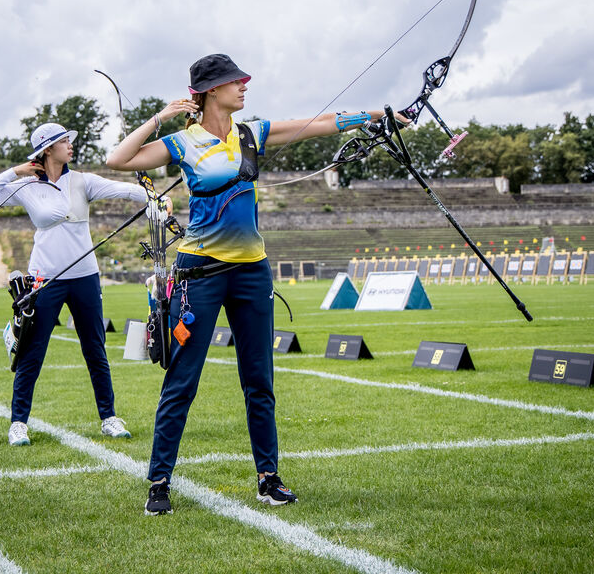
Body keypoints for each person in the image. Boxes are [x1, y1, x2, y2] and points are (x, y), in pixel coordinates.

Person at [106, 53, 399, 515]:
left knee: (259, 381)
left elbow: (319, 123)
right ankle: (159, 482)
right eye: (233, 82)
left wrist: (375, 116)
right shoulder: (182, 142)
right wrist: (161, 117)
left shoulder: (251, 133)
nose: (243, 86)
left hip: (252, 271)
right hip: (199, 274)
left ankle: (268, 478)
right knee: (182, 383)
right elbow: (117, 159)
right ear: (208, 92)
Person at [0, 122, 147, 446]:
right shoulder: (26, 186)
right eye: (64, 141)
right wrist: (14, 171)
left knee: (95, 349)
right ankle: (18, 423)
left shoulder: (83, 181)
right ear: (48, 149)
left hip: (85, 277)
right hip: (45, 279)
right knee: (32, 353)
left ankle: (109, 418)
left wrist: (151, 194)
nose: (71, 146)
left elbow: (124, 190)